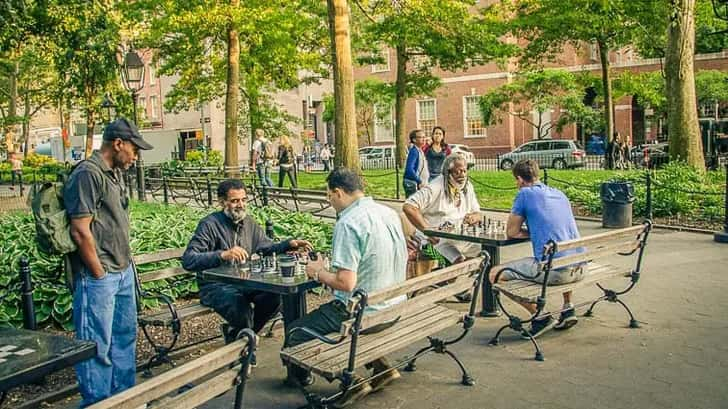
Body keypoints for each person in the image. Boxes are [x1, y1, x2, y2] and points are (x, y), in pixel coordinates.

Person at [286, 168, 407, 407]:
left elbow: (346, 283)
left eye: (329, 196)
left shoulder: (349, 222)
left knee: (295, 332)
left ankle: (349, 380)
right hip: (394, 307)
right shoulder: (388, 212)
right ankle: (382, 367)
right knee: (333, 318)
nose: (329, 201)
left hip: (363, 313)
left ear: (338, 193)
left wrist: (317, 272)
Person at [64, 117, 153, 407]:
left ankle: (124, 399)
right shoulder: (88, 173)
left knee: (124, 339)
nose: (136, 157)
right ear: (118, 144)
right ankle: (98, 403)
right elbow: (80, 230)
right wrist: (99, 275)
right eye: (134, 149)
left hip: (122, 271)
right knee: (96, 347)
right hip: (99, 276)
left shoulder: (113, 173)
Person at [182, 179, 312, 342]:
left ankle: (240, 336)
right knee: (240, 307)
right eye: (235, 201)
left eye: (244, 200)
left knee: (274, 297)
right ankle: (244, 342)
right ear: (222, 202)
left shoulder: (248, 223)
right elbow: (188, 260)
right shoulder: (209, 224)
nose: (241, 205)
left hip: (244, 282)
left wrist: (289, 244)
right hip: (214, 285)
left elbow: (266, 247)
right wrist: (223, 254)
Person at [489, 159, 584, 339]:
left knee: (495, 273)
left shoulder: (524, 194)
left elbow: (511, 232)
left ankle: (541, 317)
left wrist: (531, 231)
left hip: (556, 271)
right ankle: (568, 307)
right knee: (563, 252)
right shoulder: (559, 193)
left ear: (519, 179)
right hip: (580, 266)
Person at [403, 154, 480, 302]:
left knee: (483, 255)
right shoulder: (436, 187)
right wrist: (428, 230)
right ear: (447, 173)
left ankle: (449, 285)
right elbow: (409, 207)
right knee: (459, 261)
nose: (461, 175)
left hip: (458, 239)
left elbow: (477, 212)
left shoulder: (467, 187)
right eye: (457, 172)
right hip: (430, 244)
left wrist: (473, 217)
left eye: (464, 171)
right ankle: (448, 286)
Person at [403, 129, 429, 197]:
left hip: (418, 183)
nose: (424, 139)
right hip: (413, 184)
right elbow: (409, 169)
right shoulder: (414, 151)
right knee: (413, 205)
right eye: (421, 137)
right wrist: (419, 181)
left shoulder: (419, 150)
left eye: (424, 137)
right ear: (414, 140)